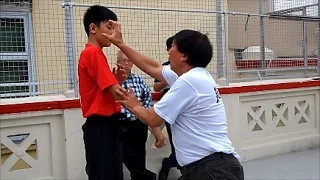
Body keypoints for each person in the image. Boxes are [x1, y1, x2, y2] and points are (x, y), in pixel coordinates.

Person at [102, 21, 245, 180]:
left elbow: (152, 119)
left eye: (172, 47)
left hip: (211, 170)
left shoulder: (189, 82)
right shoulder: (196, 76)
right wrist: (120, 44)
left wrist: (134, 105)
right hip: (214, 167)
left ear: (183, 56)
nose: (169, 51)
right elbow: (154, 67)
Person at [77, 6, 127, 180]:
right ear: (93, 28)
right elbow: (116, 94)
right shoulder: (94, 54)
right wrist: (147, 114)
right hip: (102, 127)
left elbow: (107, 92)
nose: (113, 33)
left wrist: (117, 82)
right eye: (109, 27)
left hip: (102, 126)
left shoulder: (91, 54)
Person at [117, 50, 165, 180]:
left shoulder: (138, 80)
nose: (126, 64)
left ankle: (143, 176)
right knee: (125, 156)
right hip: (120, 124)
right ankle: (147, 176)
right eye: (123, 61)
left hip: (139, 124)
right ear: (118, 62)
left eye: (129, 61)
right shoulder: (113, 81)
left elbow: (147, 103)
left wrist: (155, 129)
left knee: (139, 157)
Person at [153, 36, 180, 180]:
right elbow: (156, 87)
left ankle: (172, 164)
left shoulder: (187, 67)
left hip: (184, 108)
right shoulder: (164, 67)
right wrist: (167, 78)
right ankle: (168, 165)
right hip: (169, 106)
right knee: (174, 140)